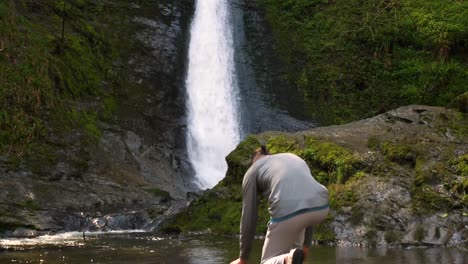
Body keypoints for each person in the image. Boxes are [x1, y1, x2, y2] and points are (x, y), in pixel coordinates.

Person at [230, 145, 329, 264]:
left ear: (253, 161)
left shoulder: (253, 170)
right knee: (295, 253)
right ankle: (292, 256)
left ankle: (289, 258)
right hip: (321, 205)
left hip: (288, 210)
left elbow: (249, 216)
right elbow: (307, 202)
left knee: (268, 261)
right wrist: (306, 247)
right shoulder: (292, 157)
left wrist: (243, 257)